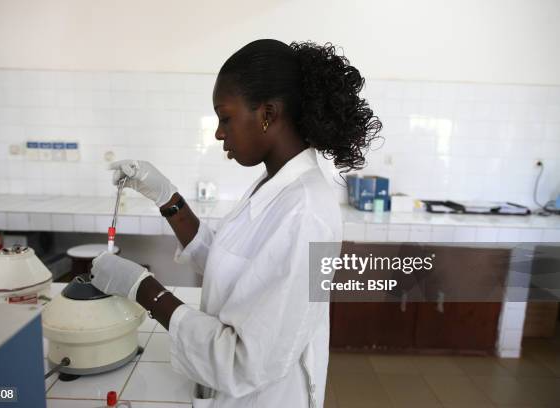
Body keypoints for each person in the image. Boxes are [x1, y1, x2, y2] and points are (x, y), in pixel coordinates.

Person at [90, 39, 381, 407]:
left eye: (225, 117)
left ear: (268, 114)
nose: (218, 133)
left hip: (268, 396)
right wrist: (166, 197)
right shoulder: (274, 185)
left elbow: (247, 362)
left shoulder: (307, 212)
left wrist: (143, 289)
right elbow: (229, 262)